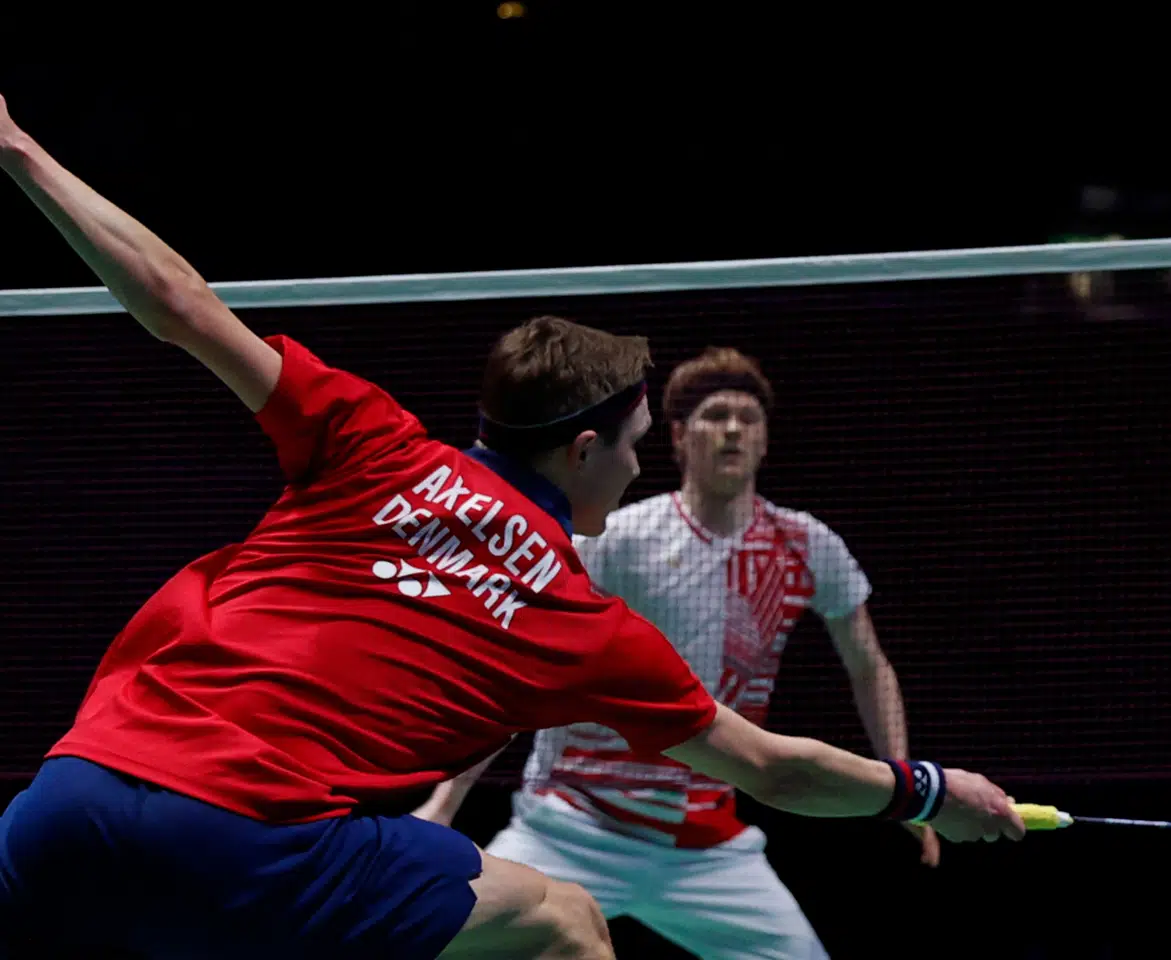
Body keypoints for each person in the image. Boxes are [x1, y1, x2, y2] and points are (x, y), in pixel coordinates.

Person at [0, 95, 1024, 960]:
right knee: (564, 923)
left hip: (60, 808)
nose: (638, 466)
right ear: (583, 452)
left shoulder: (369, 437)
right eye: (631, 443)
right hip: (250, 843)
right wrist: (927, 793)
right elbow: (775, 769)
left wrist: (17, 148)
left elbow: (177, 301)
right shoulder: (577, 619)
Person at [416, 347, 935, 959]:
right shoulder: (620, 541)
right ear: (682, 438)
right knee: (437, 941)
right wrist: (443, 804)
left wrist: (902, 779)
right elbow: (521, 671)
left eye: (749, 417)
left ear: (767, 438)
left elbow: (867, 661)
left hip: (707, 847)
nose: (734, 429)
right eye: (716, 416)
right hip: (573, 825)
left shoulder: (806, 545)